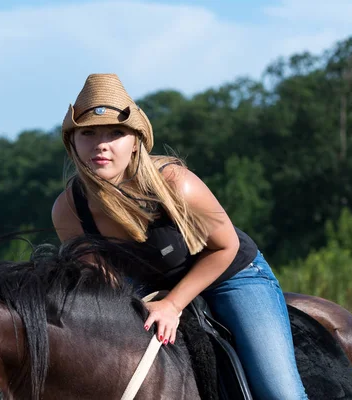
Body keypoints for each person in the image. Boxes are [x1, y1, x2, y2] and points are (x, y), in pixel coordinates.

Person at [51, 73, 307, 399]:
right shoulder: (69, 210)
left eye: (116, 132)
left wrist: (173, 304)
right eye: (88, 133)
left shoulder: (175, 182)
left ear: (135, 143)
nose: (102, 143)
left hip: (230, 274)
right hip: (147, 287)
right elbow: (103, 284)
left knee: (278, 392)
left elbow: (224, 247)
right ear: (72, 142)